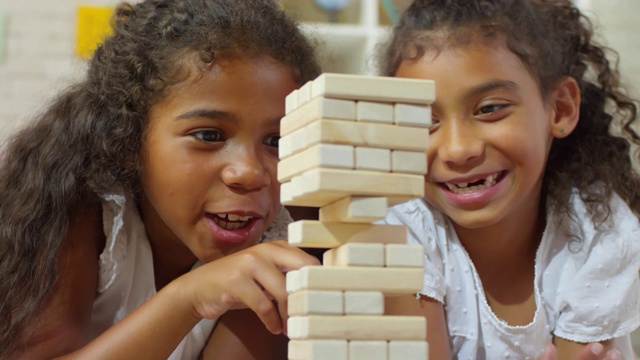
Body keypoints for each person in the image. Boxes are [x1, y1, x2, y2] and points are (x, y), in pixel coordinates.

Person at [0, 0, 322, 359]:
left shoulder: (285, 243)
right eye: (209, 135)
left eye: (276, 141)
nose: (249, 172)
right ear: (129, 139)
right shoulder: (79, 209)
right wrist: (190, 298)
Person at [378, 0, 640, 359]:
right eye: (422, 121)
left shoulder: (599, 228)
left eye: (489, 109)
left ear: (560, 109)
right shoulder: (398, 229)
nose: (457, 150)